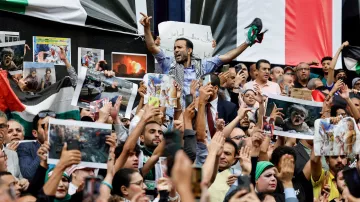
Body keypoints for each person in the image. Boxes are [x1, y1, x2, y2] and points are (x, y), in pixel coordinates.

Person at [140, 13, 265, 105]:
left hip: (196, 115)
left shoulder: (203, 65)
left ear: (189, 51)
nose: (176, 50)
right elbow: (151, 47)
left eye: (179, 47)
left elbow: (227, 57)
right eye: (174, 48)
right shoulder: (169, 63)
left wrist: (247, 42)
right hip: (171, 116)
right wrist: (146, 27)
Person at [17, 110, 55, 181]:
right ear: (35, 133)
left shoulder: (66, 147)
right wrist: (43, 150)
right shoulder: (25, 147)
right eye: (45, 126)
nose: (50, 130)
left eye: (53, 126)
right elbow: (28, 175)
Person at [0, 111, 22, 179]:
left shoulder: (12, 154)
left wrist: (24, 182)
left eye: (1, 126)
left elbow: (19, 177)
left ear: (7, 128)